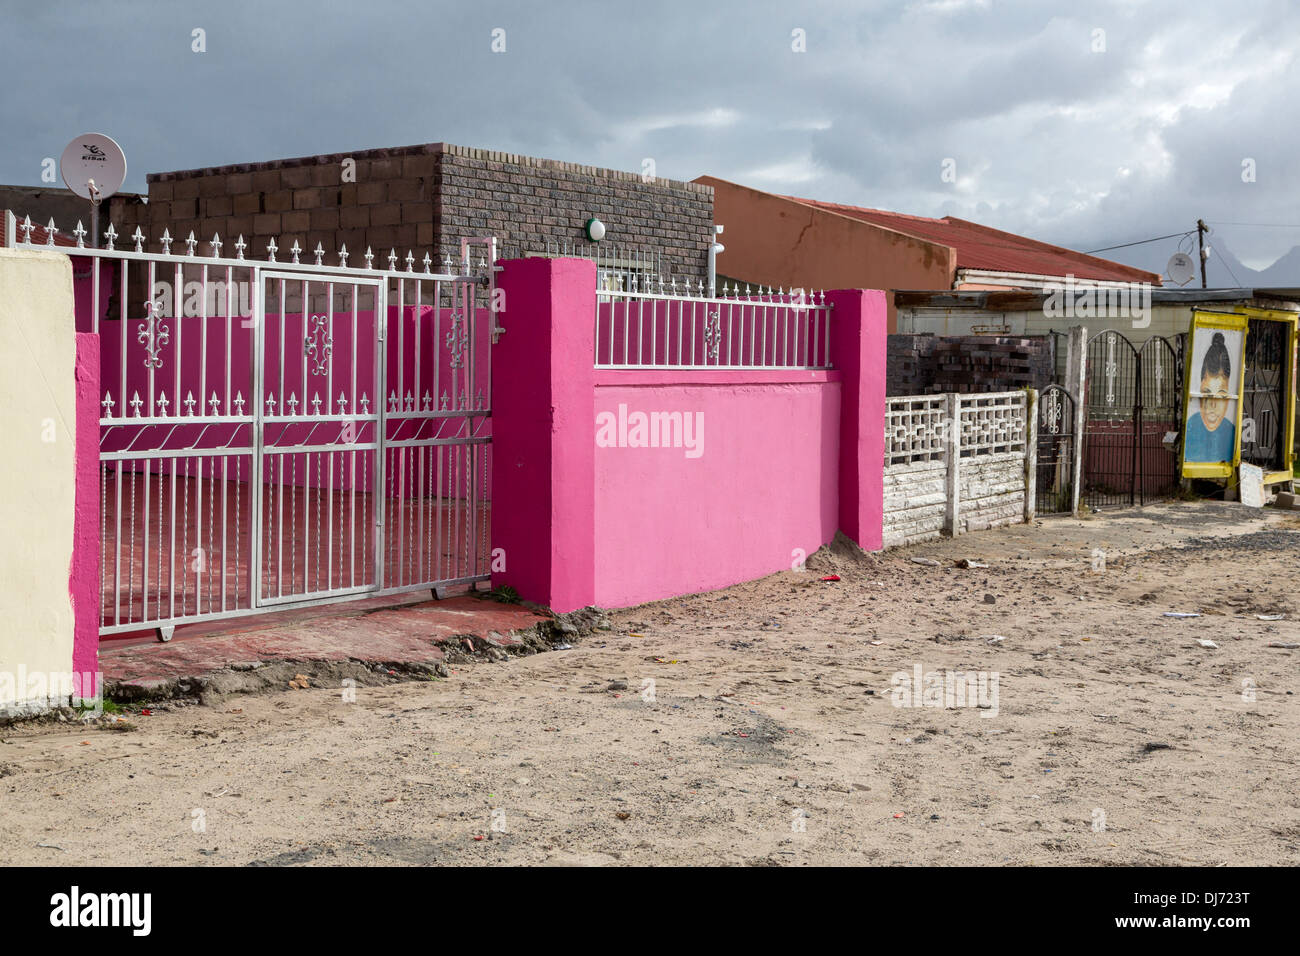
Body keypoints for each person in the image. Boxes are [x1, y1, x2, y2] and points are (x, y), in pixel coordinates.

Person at [1183, 331, 1236, 463]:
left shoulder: (1232, 432)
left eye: (1221, 395)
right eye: (1206, 393)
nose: (1213, 404)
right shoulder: (1190, 426)